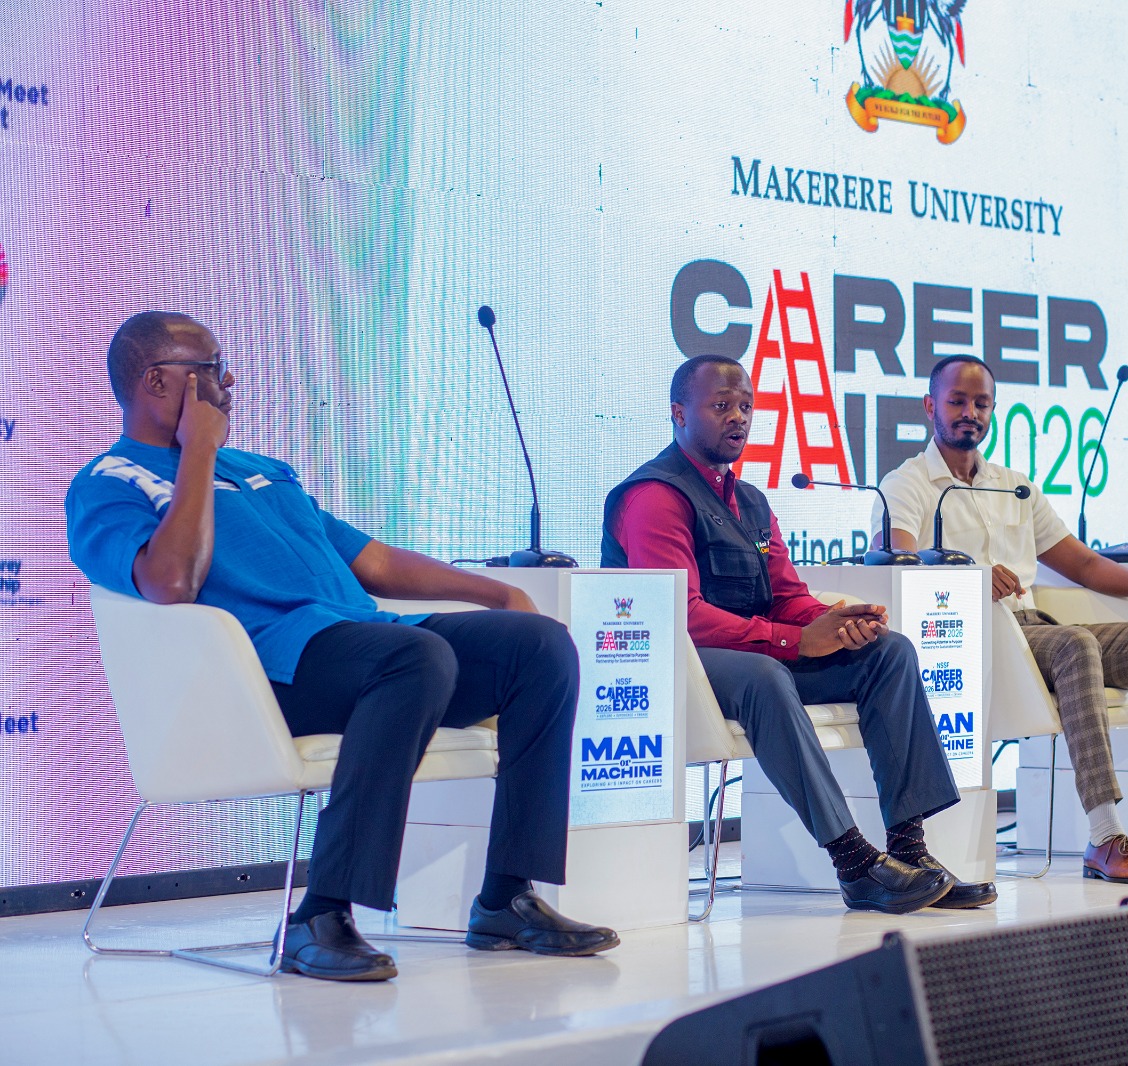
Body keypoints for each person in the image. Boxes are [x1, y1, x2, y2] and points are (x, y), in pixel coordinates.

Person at [66, 311, 618, 983]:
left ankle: (507, 897)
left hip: (365, 646)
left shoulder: (262, 471)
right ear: (157, 381)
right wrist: (199, 454)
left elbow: (371, 561)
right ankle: (320, 915)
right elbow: (170, 581)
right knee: (416, 658)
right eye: (211, 370)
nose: (227, 382)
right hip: (265, 674)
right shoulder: (107, 484)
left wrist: (494, 591)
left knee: (540, 647)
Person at [601, 355, 993, 913]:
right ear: (678, 413)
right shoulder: (654, 497)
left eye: (745, 406)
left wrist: (835, 622)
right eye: (721, 406)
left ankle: (910, 851)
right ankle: (855, 864)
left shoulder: (751, 501)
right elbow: (679, 616)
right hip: (674, 658)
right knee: (765, 674)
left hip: (751, 649)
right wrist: (793, 642)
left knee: (889, 652)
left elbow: (786, 595)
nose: (738, 418)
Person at [876, 355, 1128, 883]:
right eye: (957, 401)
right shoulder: (906, 483)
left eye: (981, 403)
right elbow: (898, 561)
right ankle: (1105, 835)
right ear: (930, 407)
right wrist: (970, 575)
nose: (970, 413)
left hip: (1035, 628)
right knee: (1076, 644)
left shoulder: (1014, 486)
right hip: (973, 636)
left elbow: (1084, 564)